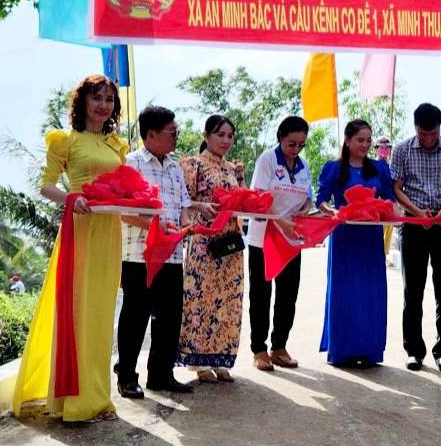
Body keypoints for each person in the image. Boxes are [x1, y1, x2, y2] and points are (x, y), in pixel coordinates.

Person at [13, 74, 128, 423]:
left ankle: (100, 399)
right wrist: (72, 198)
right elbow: (46, 186)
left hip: (109, 232)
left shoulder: (115, 145)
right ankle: (78, 404)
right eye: (97, 98)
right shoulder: (66, 140)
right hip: (79, 232)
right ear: (82, 102)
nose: (103, 105)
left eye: (109, 99)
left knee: (102, 316)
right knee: (80, 314)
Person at [114, 106, 204, 400]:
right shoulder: (131, 164)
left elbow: (184, 207)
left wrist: (186, 224)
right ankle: (127, 377)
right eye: (172, 132)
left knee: (170, 316)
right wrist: (155, 225)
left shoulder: (176, 168)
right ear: (151, 134)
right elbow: (122, 212)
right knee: (135, 316)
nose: (177, 137)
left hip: (172, 254)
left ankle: (161, 375)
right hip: (139, 254)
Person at [316, 119, 396, 367]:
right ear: (347, 140)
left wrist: (394, 215)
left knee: (370, 293)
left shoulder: (379, 169)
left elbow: (389, 198)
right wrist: (332, 212)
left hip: (370, 237)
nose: (365, 145)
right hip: (344, 237)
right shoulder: (334, 167)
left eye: (368, 140)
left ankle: (370, 350)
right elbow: (321, 200)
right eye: (360, 140)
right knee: (344, 292)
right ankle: (343, 350)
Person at [391, 103, 441, 373]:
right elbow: (396, 188)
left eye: (433, 133)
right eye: (424, 134)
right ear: (415, 128)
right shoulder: (401, 150)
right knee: (413, 290)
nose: (429, 139)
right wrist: (416, 211)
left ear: (440, 128)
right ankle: (413, 350)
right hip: (413, 225)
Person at [178, 115, 246, 384]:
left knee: (229, 302)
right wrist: (200, 208)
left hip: (230, 244)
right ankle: (199, 362)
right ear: (206, 135)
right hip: (204, 243)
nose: (226, 141)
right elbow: (184, 201)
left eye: (230, 136)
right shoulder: (193, 165)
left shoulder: (233, 169)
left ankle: (221, 359)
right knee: (201, 300)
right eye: (220, 135)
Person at [248, 116, 314, 372]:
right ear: (280, 138)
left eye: (301, 144)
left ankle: (279, 346)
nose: (296, 149)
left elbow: (308, 197)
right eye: (291, 143)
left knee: (288, 294)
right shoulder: (267, 159)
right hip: (264, 236)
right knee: (261, 294)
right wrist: (281, 221)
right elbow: (262, 196)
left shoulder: (304, 165)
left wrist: (305, 211)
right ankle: (259, 349)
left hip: (290, 239)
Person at [374, 135, 395, 257]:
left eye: (387, 147)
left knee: (387, 234)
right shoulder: (375, 165)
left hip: (390, 205)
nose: (384, 150)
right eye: (381, 147)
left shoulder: (391, 166)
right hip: (378, 205)